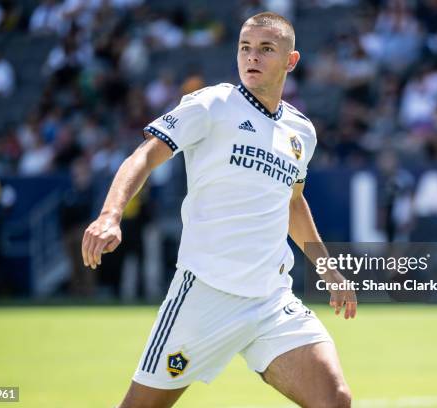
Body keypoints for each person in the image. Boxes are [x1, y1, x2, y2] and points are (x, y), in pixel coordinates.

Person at [82, 12, 357, 408]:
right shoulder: (211, 104)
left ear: (290, 61)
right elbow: (143, 157)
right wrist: (110, 214)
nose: (252, 57)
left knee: (334, 400)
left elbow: (293, 202)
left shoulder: (302, 132)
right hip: (206, 294)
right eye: (245, 47)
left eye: (266, 49)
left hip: (271, 300)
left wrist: (327, 269)